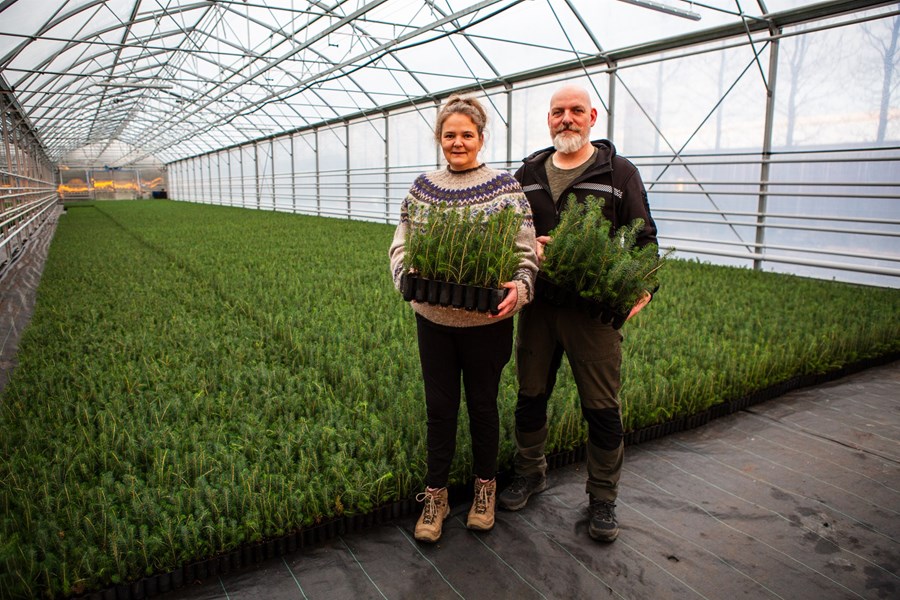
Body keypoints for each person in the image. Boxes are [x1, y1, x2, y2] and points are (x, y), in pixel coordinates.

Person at [497, 85, 658, 543]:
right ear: (548, 120)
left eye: (574, 112)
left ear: (592, 117)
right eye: (556, 112)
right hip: (539, 307)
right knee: (530, 395)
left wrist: (644, 284)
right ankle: (531, 471)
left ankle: (603, 496)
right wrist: (531, 249)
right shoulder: (526, 173)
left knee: (602, 407)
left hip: (593, 313)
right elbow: (506, 232)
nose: (565, 119)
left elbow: (644, 240)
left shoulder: (618, 172)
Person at [389, 95, 538, 543]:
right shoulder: (422, 189)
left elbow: (524, 250)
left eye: (466, 135)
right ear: (440, 138)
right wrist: (403, 274)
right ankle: (435, 497)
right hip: (432, 319)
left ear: (480, 138)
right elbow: (402, 242)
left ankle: (484, 491)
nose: (458, 142)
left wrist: (522, 286)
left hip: (486, 323)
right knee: (439, 408)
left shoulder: (505, 189)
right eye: (449, 135)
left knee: (482, 406)